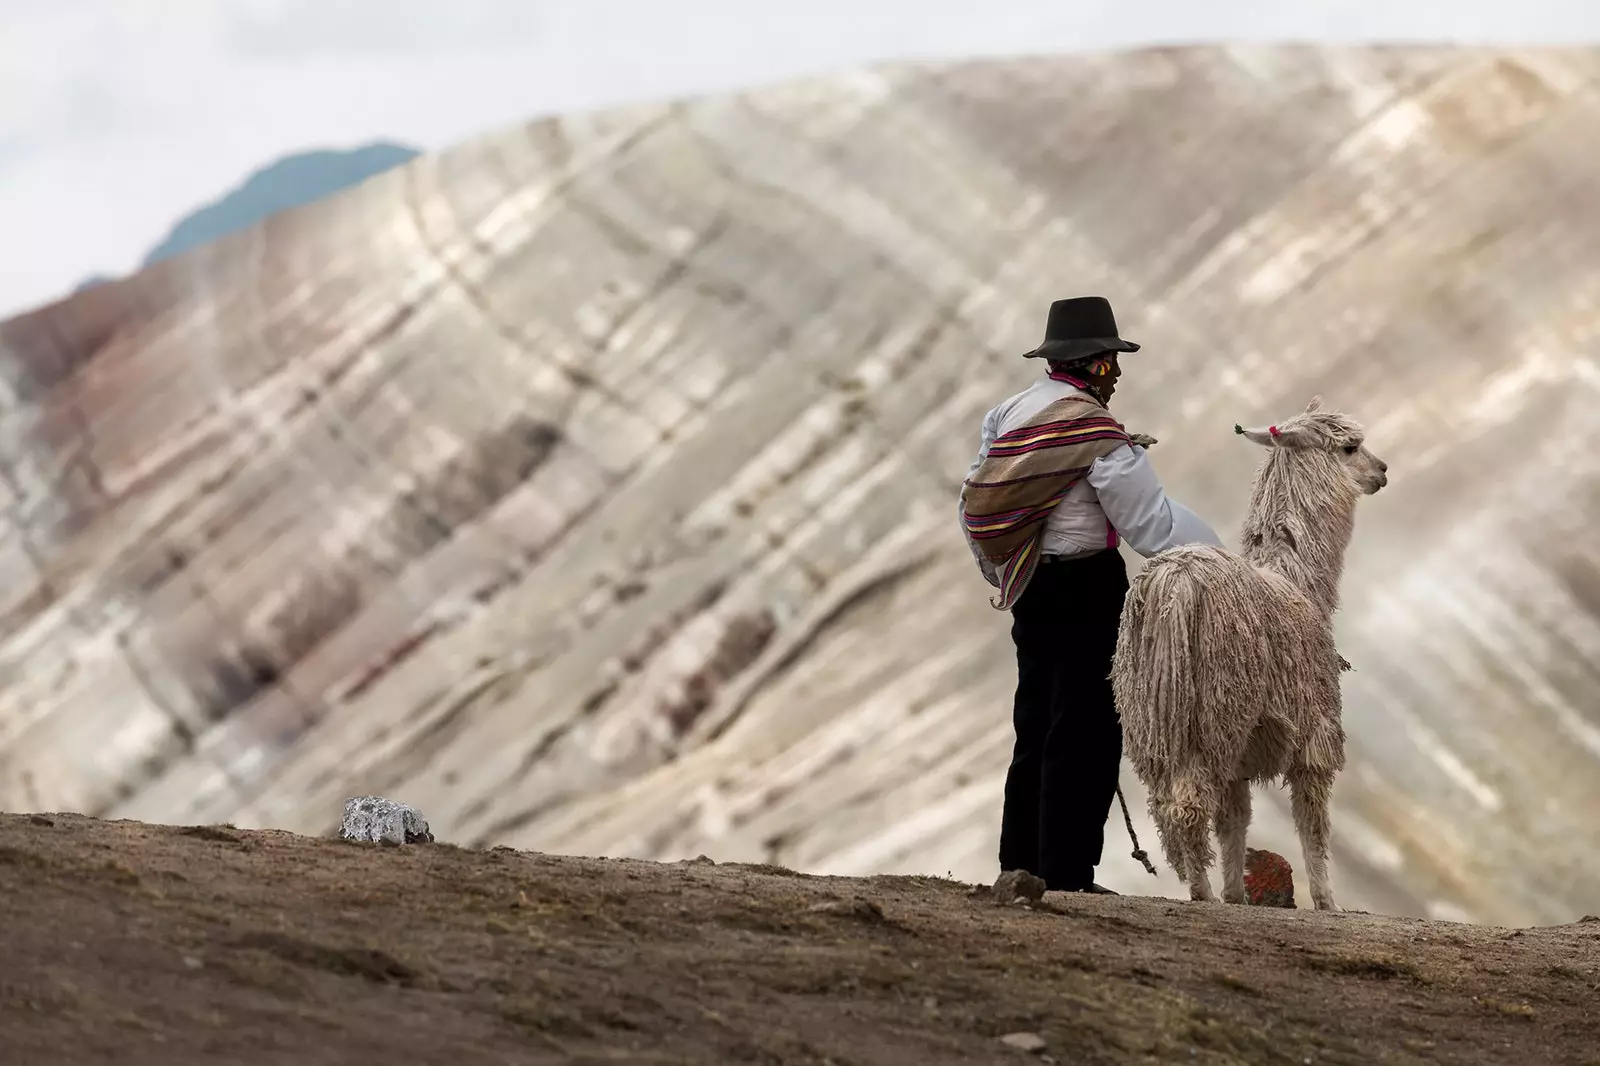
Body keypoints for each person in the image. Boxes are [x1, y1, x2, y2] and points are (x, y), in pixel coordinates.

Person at [960, 296, 1223, 894]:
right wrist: (1220, 563)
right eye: (1110, 361)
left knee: (1035, 724)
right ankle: (1068, 874)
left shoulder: (1007, 415)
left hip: (1029, 583)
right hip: (1088, 588)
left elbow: (976, 498)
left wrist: (1001, 572)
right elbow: (1150, 525)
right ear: (1091, 364)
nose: (1117, 374)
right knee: (1087, 730)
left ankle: (1018, 865)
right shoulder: (1096, 433)